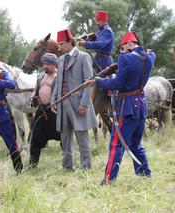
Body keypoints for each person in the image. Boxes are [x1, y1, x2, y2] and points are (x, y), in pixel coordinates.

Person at [84, 32, 155, 185]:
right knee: (136, 145)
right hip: (140, 106)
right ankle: (145, 175)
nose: (122, 52)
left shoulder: (125, 58)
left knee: (116, 145)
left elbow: (117, 85)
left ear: (129, 44)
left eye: (123, 48)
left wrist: (99, 81)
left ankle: (108, 181)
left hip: (127, 108)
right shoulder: (150, 56)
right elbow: (142, 60)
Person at [51, 29, 97, 171]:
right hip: (62, 104)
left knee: (82, 138)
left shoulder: (83, 57)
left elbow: (89, 81)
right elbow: (58, 82)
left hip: (78, 104)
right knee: (65, 139)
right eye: (58, 44)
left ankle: (86, 169)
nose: (59, 47)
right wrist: (54, 100)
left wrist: (84, 104)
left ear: (71, 42)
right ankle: (68, 167)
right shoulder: (60, 59)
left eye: (62, 43)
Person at [28, 53, 61, 168]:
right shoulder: (40, 76)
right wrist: (32, 98)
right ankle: (32, 165)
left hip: (55, 111)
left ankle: (67, 164)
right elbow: (36, 89)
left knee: (63, 137)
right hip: (41, 110)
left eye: (48, 64)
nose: (45, 66)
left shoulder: (60, 76)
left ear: (54, 64)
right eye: (44, 64)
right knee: (36, 137)